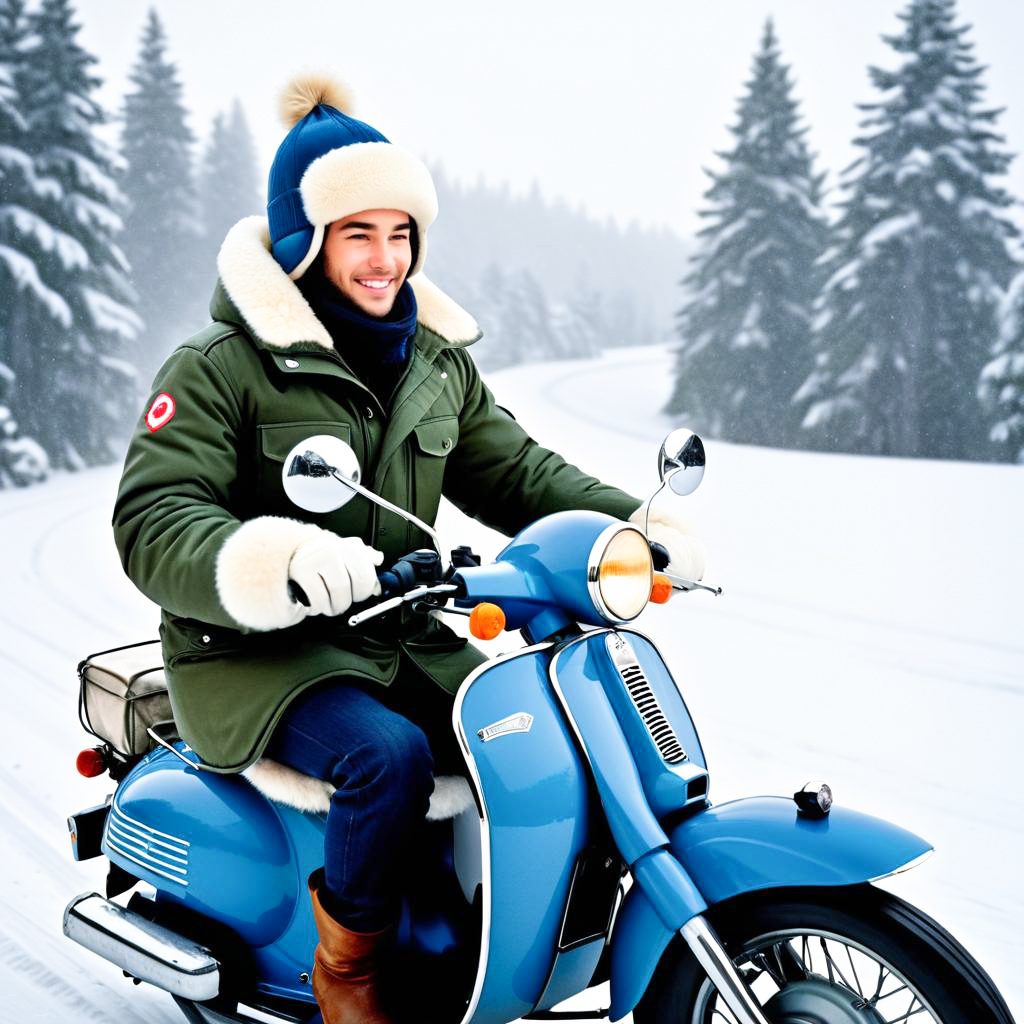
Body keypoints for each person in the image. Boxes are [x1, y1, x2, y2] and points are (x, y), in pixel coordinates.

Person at [112, 75, 704, 1024]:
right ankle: (350, 976)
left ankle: (472, 938)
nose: (385, 259)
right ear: (305, 240)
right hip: (259, 655)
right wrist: (277, 560)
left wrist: (634, 525)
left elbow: (518, 473)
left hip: (401, 634)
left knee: (536, 735)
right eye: (359, 234)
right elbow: (154, 518)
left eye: (400, 235)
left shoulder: (433, 362)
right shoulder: (221, 367)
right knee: (383, 758)